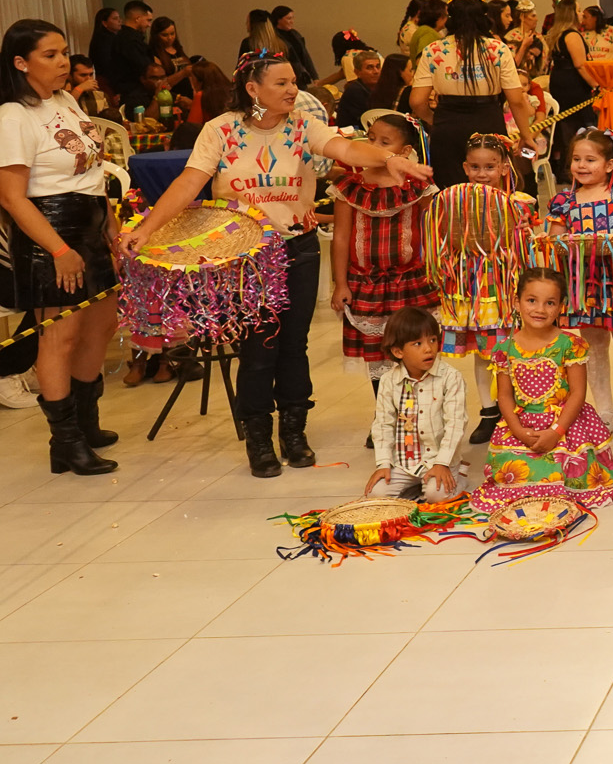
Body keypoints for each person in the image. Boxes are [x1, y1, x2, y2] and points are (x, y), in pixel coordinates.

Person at [119, 49, 435, 476]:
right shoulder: (221, 130)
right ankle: (258, 438)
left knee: (293, 345)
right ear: (253, 89)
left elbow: (346, 148)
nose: (292, 90)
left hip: (298, 248)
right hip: (245, 259)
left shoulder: (303, 125)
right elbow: (189, 183)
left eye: (293, 82)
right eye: (282, 83)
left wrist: (389, 158)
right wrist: (148, 228)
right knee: (258, 348)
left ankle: (293, 430)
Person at [0, 19, 122, 475]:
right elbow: (12, 197)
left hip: (90, 224)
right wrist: (58, 250)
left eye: (64, 52)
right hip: (49, 232)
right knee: (59, 336)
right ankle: (65, 442)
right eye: (49, 55)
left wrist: (110, 227)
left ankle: (86, 422)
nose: (63, 62)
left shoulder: (67, 100)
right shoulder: (13, 115)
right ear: (21, 63)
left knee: (102, 325)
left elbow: (93, 171)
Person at [472, 267, 613, 510]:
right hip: (523, 426)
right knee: (512, 474)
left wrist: (556, 432)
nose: (540, 309)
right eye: (532, 300)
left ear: (561, 307)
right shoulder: (505, 349)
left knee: (571, 472)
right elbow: (504, 396)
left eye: (550, 303)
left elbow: (578, 393)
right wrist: (518, 430)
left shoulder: (570, 344)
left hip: (565, 424)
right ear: (516, 302)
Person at [328, 111, 438, 385]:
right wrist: (340, 284)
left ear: (405, 151)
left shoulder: (417, 186)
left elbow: (434, 232)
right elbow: (340, 237)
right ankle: (386, 408)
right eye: (371, 139)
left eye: (385, 142)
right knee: (378, 355)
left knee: (415, 349)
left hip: (410, 281)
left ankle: (418, 407)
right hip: (366, 285)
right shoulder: (350, 186)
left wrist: (439, 274)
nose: (374, 148)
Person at [547, 127, 613, 428]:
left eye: (590, 160)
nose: (582, 165)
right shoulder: (564, 201)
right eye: (576, 159)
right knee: (594, 347)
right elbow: (555, 240)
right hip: (584, 285)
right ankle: (604, 409)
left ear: (610, 165)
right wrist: (559, 241)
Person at [409, 0, 535, 189]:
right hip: (488, 121)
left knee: (451, 190)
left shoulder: (433, 50)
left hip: (447, 126)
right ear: (484, 18)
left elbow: (417, 101)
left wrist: (435, 120)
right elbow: (516, 100)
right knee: (491, 187)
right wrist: (526, 136)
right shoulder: (498, 49)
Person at [363, 307, 467, 504]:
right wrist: (383, 463)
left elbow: (455, 424)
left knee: (436, 496)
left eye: (433, 340)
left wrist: (442, 462)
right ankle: (415, 486)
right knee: (376, 494)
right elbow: (383, 424)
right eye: (418, 343)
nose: (428, 349)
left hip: (438, 460)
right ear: (398, 351)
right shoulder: (388, 381)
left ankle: (458, 477)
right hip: (404, 462)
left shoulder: (450, 378)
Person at [544, 3, 600, 185]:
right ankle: (571, 168)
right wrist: (595, 84)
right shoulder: (572, 35)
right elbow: (580, 64)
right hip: (572, 83)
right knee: (576, 124)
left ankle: (565, 167)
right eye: (578, 10)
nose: (581, 13)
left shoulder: (556, 34)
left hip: (559, 79)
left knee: (565, 126)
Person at [107, 0, 154, 102]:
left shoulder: (121, 37)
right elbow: (145, 69)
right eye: (148, 20)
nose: (149, 25)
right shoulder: (130, 41)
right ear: (138, 18)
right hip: (135, 94)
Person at [148, 17, 196, 103]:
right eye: (165, 35)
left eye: (172, 34)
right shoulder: (154, 54)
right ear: (156, 35)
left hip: (189, 94)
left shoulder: (178, 49)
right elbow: (161, 83)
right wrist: (183, 73)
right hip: (172, 96)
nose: (170, 38)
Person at [335, 50, 381, 130]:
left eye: (378, 66)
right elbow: (368, 121)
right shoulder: (354, 91)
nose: (376, 71)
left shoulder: (380, 88)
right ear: (357, 72)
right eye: (370, 68)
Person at [66, 56, 120, 123]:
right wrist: (79, 89)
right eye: (83, 75)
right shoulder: (62, 94)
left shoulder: (100, 95)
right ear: (69, 76)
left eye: (91, 74)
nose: (89, 79)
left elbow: (110, 122)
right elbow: (65, 111)